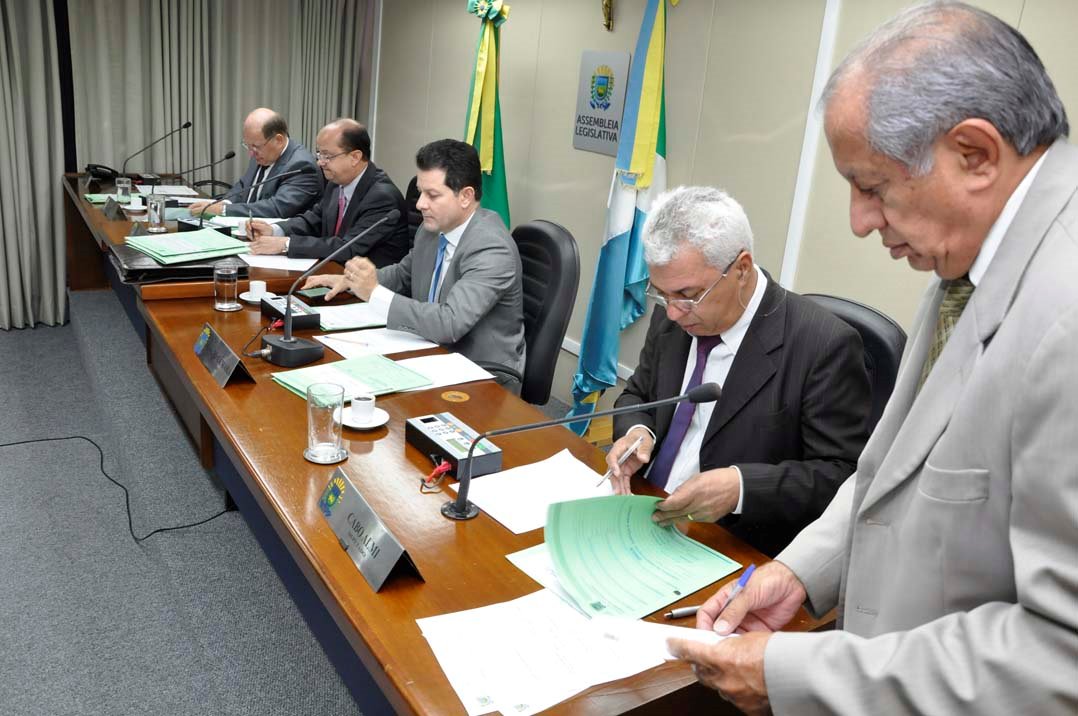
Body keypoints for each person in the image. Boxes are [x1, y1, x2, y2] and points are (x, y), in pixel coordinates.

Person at [667, 3, 1078, 714]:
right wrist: (801, 571)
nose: (859, 221)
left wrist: (803, 675)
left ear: (975, 154)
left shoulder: (1065, 309)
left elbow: (1060, 655)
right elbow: (888, 476)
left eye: (873, 186)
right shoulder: (965, 266)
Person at [607, 186, 871, 557]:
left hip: (733, 544)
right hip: (643, 509)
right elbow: (638, 393)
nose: (673, 311)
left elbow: (842, 475)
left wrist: (741, 487)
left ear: (741, 269)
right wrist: (637, 432)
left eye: (688, 294)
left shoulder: (824, 345)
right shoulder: (675, 313)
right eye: (662, 294)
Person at [302, 139, 525, 381]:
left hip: (480, 373)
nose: (419, 204)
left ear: (465, 196)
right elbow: (403, 274)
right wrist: (351, 281)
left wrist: (374, 292)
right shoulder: (431, 231)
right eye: (420, 193)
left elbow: (449, 323)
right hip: (429, 350)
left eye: (432, 195)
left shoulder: (491, 248)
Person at [247, 119, 411, 266]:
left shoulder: (382, 197)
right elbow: (314, 220)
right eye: (319, 154)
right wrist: (275, 230)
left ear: (355, 157)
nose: (320, 162)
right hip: (335, 271)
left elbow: (347, 247)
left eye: (327, 155)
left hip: (370, 283)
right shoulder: (336, 182)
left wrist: (286, 244)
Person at [188, 107, 320, 218]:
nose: (251, 153)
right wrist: (224, 203)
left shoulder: (301, 166)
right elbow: (243, 186)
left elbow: (277, 208)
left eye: (256, 146)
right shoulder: (262, 153)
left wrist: (223, 210)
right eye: (248, 145)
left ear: (278, 140)